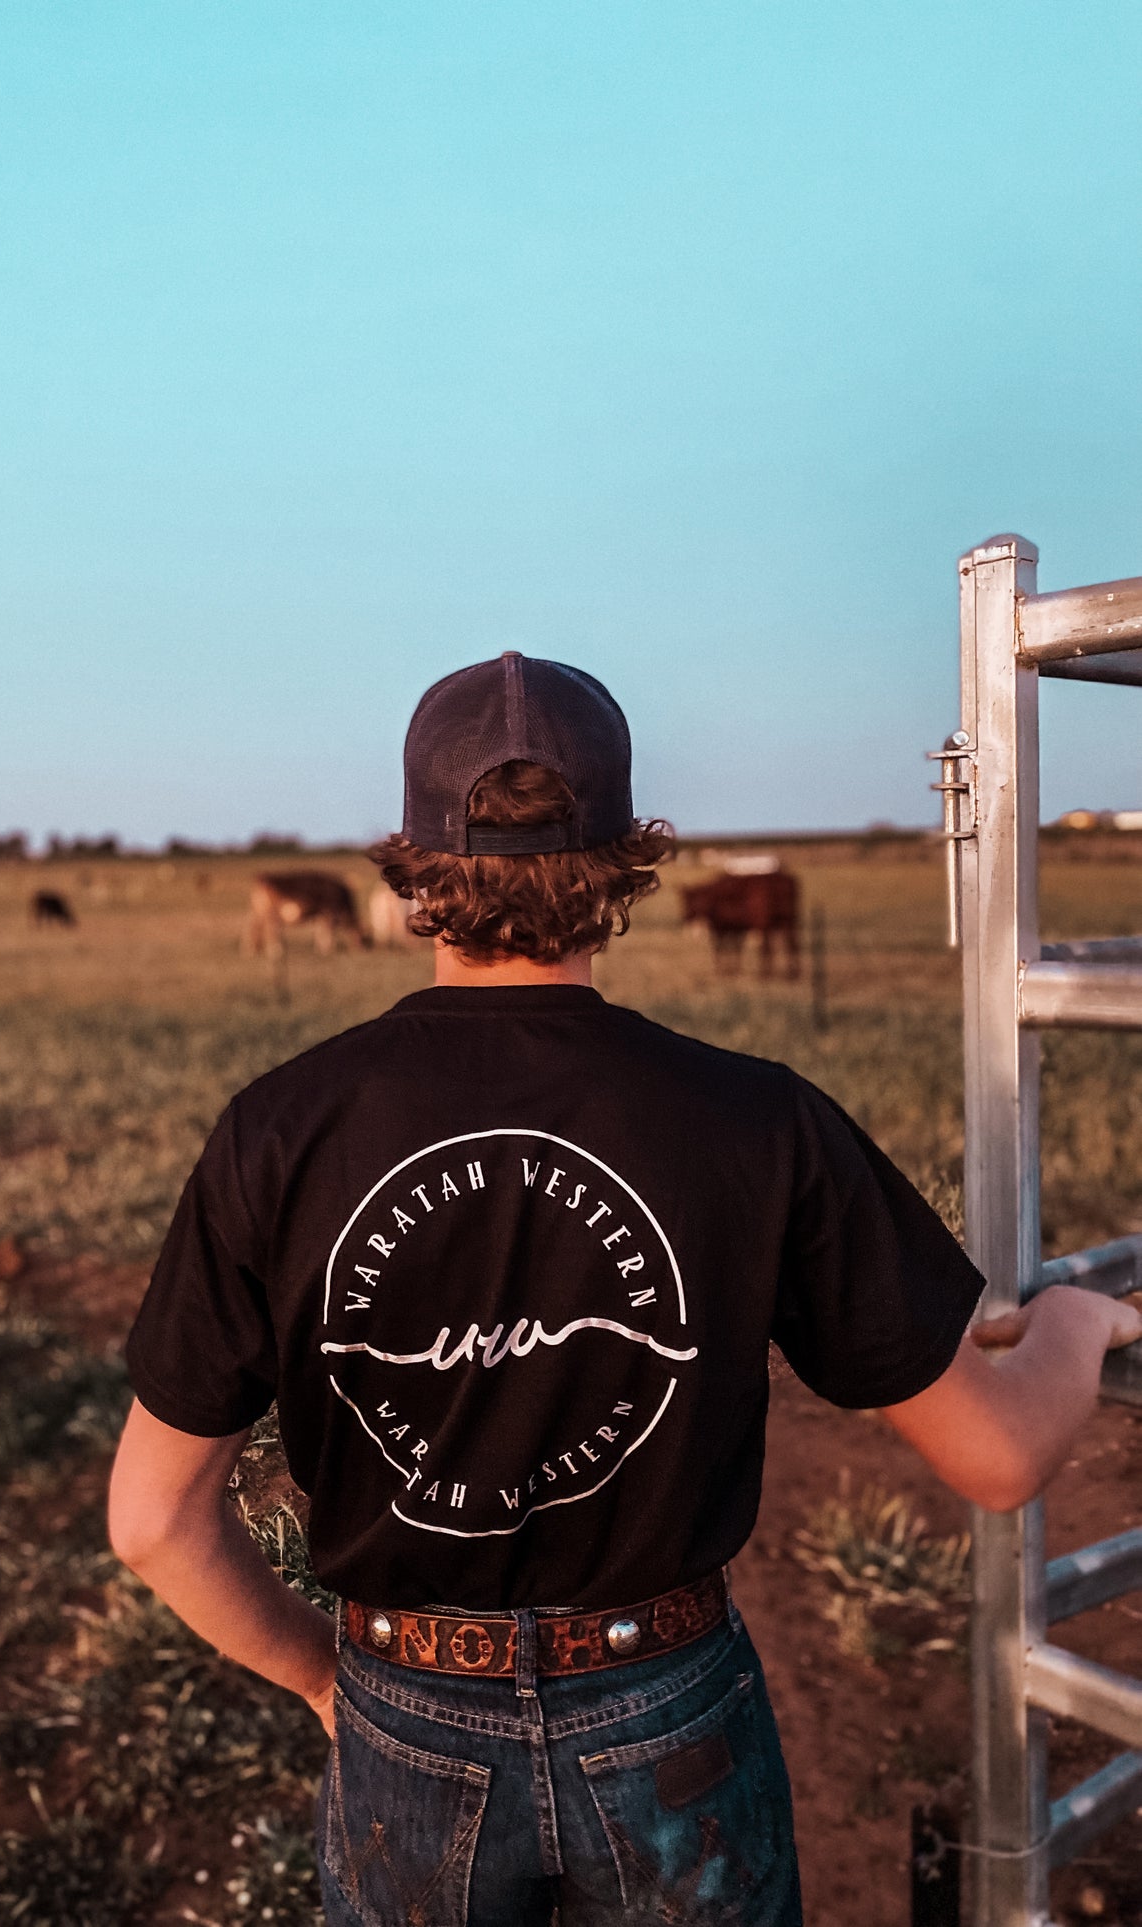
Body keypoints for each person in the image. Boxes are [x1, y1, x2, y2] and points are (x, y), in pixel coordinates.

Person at [108, 653, 1141, 1925]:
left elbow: (154, 1523)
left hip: (403, 1703)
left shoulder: (278, 1131)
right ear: (621, 864)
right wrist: (1077, 1324)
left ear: (418, 870)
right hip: (669, 1711)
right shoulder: (755, 1120)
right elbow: (996, 1458)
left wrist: (331, 1685)